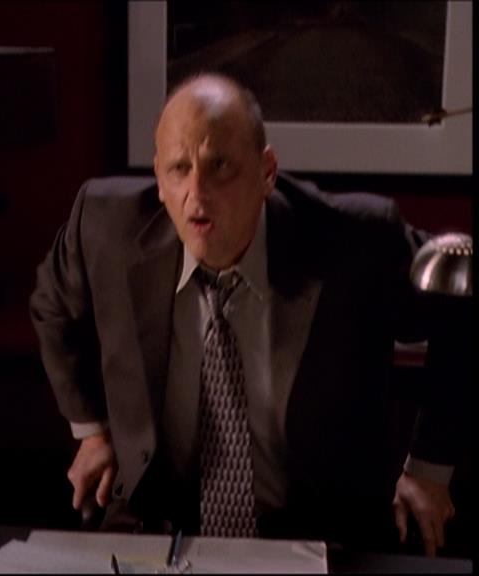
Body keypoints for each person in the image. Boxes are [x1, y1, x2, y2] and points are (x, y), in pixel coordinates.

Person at [29, 73, 462, 556]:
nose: (197, 194)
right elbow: (52, 303)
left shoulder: (356, 240)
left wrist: (428, 468)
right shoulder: (105, 225)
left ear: (267, 172)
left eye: (220, 167)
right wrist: (91, 429)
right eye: (179, 169)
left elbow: (462, 310)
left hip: (321, 540)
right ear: (159, 179)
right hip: (154, 534)